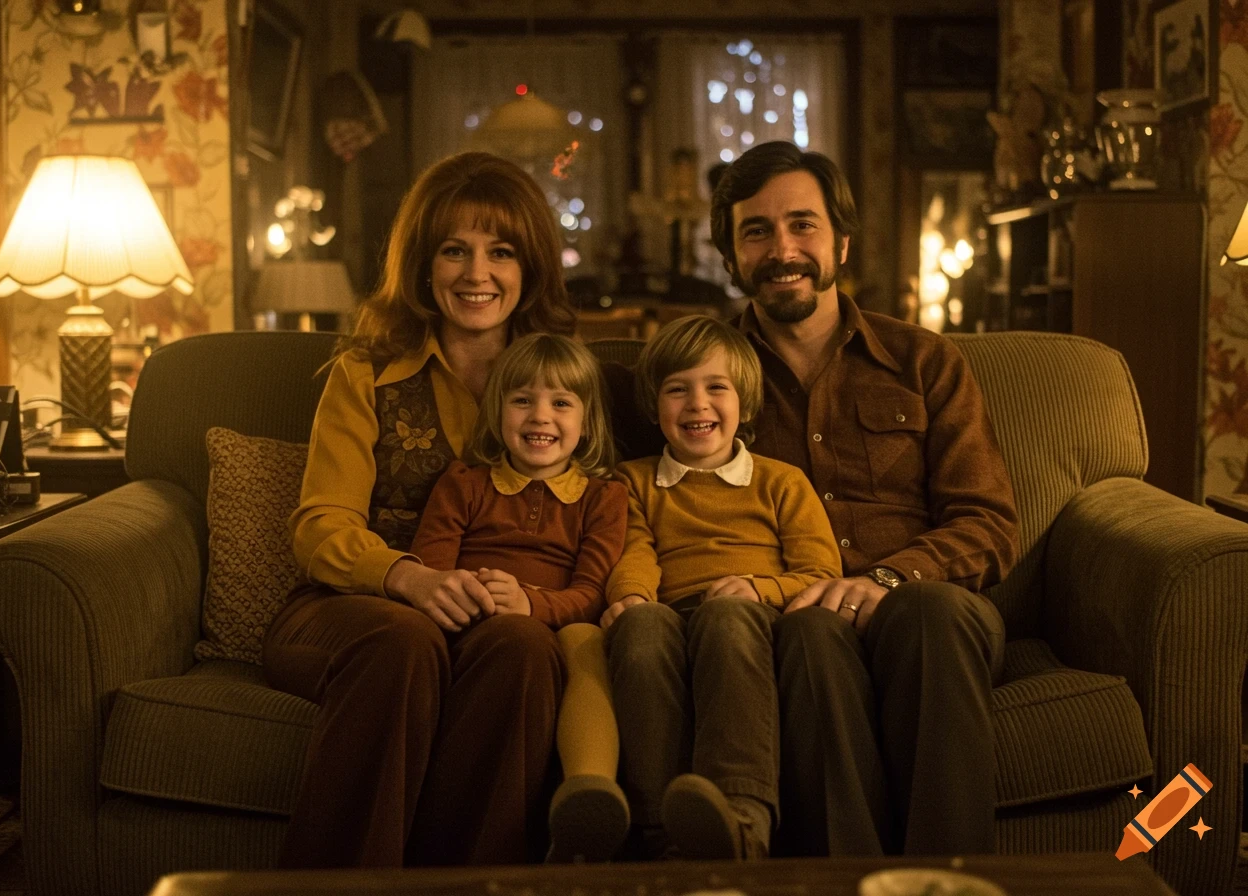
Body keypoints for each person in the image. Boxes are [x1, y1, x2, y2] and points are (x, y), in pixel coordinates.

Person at [261, 151, 577, 869]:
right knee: (405, 641)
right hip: (352, 608)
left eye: (501, 252)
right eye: (454, 251)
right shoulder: (366, 372)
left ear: (528, 268)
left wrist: (530, 598)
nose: (477, 274)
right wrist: (407, 577)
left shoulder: (561, 384)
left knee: (526, 650)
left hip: (493, 616)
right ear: (422, 264)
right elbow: (320, 524)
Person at [708, 140, 1020, 856]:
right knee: (810, 631)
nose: (781, 247)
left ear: (841, 243)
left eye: (802, 225)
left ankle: (950, 878)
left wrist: (888, 578)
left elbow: (989, 521)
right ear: (731, 255)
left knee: (928, 610)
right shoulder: (702, 378)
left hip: (924, 608)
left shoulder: (924, 360)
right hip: (795, 618)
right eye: (756, 230)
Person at [602, 315, 843, 861]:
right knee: (638, 629)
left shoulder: (781, 480)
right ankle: (661, 830)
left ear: (747, 404)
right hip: (669, 610)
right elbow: (633, 552)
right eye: (677, 389)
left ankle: (740, 821)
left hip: (750, 617)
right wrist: (634, 597)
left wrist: (760, 589)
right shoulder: (632, 480)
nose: (697, 404)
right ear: (653, 404)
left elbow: (820, 571)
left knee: (726, 618)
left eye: (717, 388)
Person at [409, 332, 631, 864]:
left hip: (556, 626)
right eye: (522, 400)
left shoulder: (604, 495)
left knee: (586, 638)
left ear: (586, 420)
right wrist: (475, 593)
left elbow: (591, 592)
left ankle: (588, 795)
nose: (540, 417)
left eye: (561, 402)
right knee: (505, 637)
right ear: (497, 410)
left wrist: (531, 602)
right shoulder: (465, 482)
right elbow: (433, 568)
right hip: (477, 625)